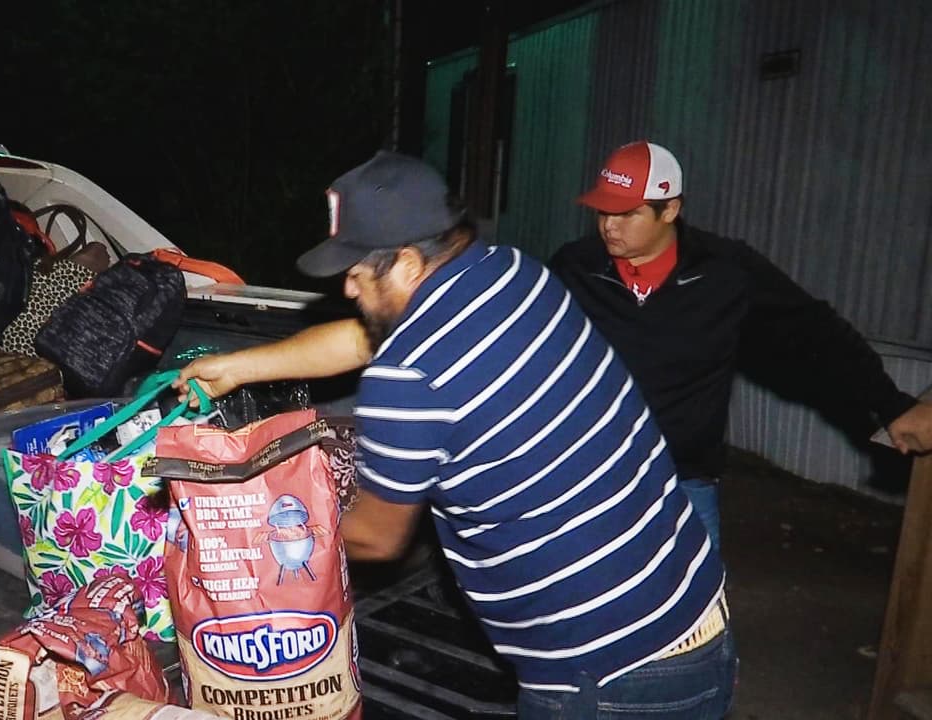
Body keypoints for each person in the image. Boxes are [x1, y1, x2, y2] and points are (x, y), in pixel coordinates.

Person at [176, 150, 736, 719]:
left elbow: (376, 535)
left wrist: (252, 536)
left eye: (356, 271)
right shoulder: (514, 273)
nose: (347, 288)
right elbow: (367, 340)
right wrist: (239, 367)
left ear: (406, 265)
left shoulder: (410, 373)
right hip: (693, 611)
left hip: (604, 676)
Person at [549, 140, 932, 549]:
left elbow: (819, 330)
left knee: (699, 609)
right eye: (604, 210)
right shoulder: (576, 266)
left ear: (670, 210)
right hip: (590, 474)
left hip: (684, 483)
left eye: (628, 213)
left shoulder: (727, 272)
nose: (610, 225)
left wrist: (893, 405)